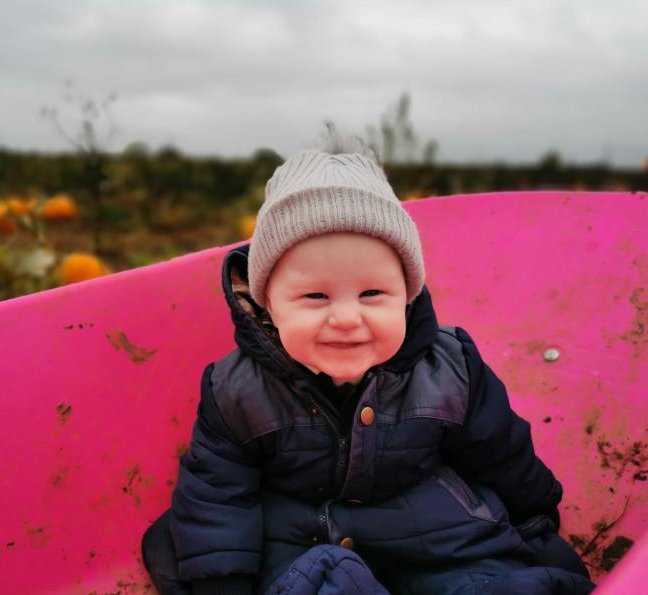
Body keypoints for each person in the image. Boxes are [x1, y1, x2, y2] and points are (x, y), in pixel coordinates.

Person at [142, 132, 595, 594]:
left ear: (407, 295)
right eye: (315, 296)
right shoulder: (236, 389)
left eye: (372, 293)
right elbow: (218, 495)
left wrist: (534, 518)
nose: (345, 318)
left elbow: (500, 451)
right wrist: (224, 583)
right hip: (301, 540)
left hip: (433, 538)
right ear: (267, 307)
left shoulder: (451, 368)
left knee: (489, 583)